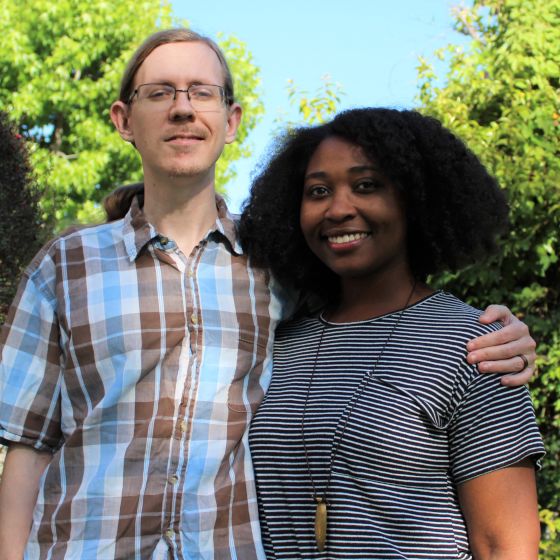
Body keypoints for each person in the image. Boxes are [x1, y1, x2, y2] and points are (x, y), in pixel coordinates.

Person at [0, 28, 537, 560]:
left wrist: (507, 335)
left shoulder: (279, 273)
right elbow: (30, 445)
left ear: (231, 120)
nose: (182, 108)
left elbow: (383, 308)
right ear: (123, 119)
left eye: (202, 92)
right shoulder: (65, 267)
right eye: (160, 92)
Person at [241, 108, 545, 559]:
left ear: (415, 198)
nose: (338, 209)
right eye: (318, 191)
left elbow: (505, 545)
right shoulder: (277, 341)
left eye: (367, 186)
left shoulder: (478, 344)